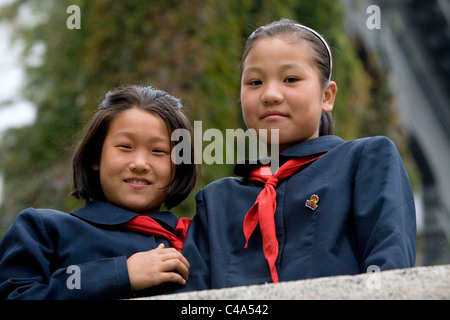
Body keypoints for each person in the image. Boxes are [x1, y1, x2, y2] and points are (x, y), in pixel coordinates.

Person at [177, 19, 417, 291]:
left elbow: (389, 271)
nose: (270, 94)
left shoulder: (365, 162)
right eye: (255, 82)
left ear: (327, 96)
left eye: (290, 79)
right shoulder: (217, 202)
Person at [0, 85, 197, 299]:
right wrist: (121, 274)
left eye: (158, 151)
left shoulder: (196, 240)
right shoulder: (44, 230)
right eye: (125, 147)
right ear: (96, 157)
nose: (140, 164)